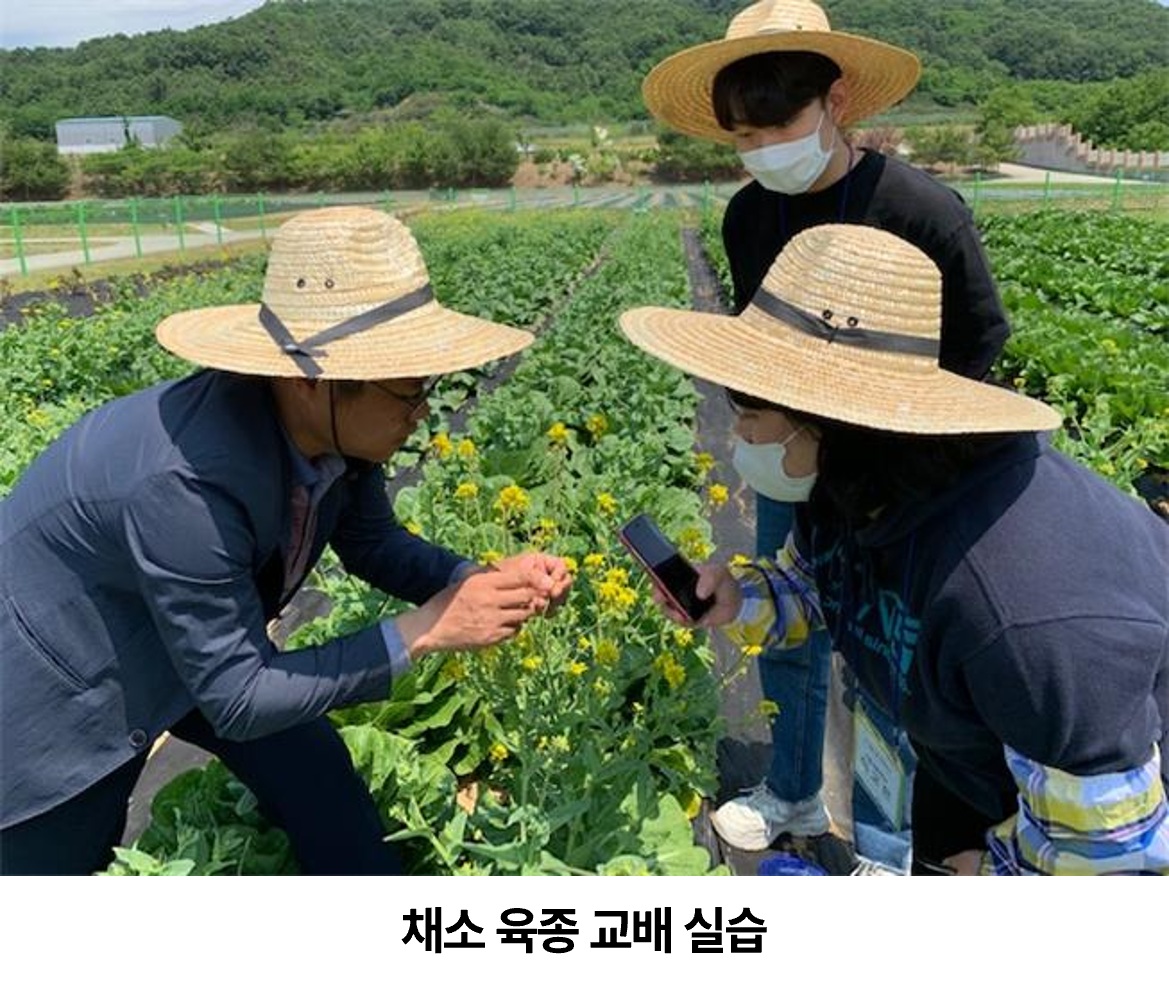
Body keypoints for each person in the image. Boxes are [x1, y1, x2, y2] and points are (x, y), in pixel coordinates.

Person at [0, 206, 572, 875]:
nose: (422, 412)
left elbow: (372, 542)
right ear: (310, 380)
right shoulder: (184, 482)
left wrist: (474, 581)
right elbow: (240, 697)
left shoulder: (335, 432)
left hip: (194, 640)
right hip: (57, 696)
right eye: (408, 389)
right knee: (68, 861)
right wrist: (425, 629)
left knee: (315, 771)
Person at [620, 223, 1169, 875]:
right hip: (974, 766)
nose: (738, 432)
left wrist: (990, 871)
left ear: (824, 420)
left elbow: (1110, 857)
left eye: (750, 412)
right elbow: (816, 586)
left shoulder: (1025, 609)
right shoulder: (852, 485)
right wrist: (738, 600)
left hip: (1114, 811)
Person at [641, 0, 1011, 854]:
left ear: (835, 100)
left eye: (778, 124)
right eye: (742, 135)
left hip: (906, 474)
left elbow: (977, 344)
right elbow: (759, 346)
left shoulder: (920, 210)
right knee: (784, 619)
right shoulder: (748, 216)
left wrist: (901, 459)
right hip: (798, 462)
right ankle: (793, 794)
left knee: (895, 651)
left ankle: (894, 841)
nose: (761, 148)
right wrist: (769, 440)